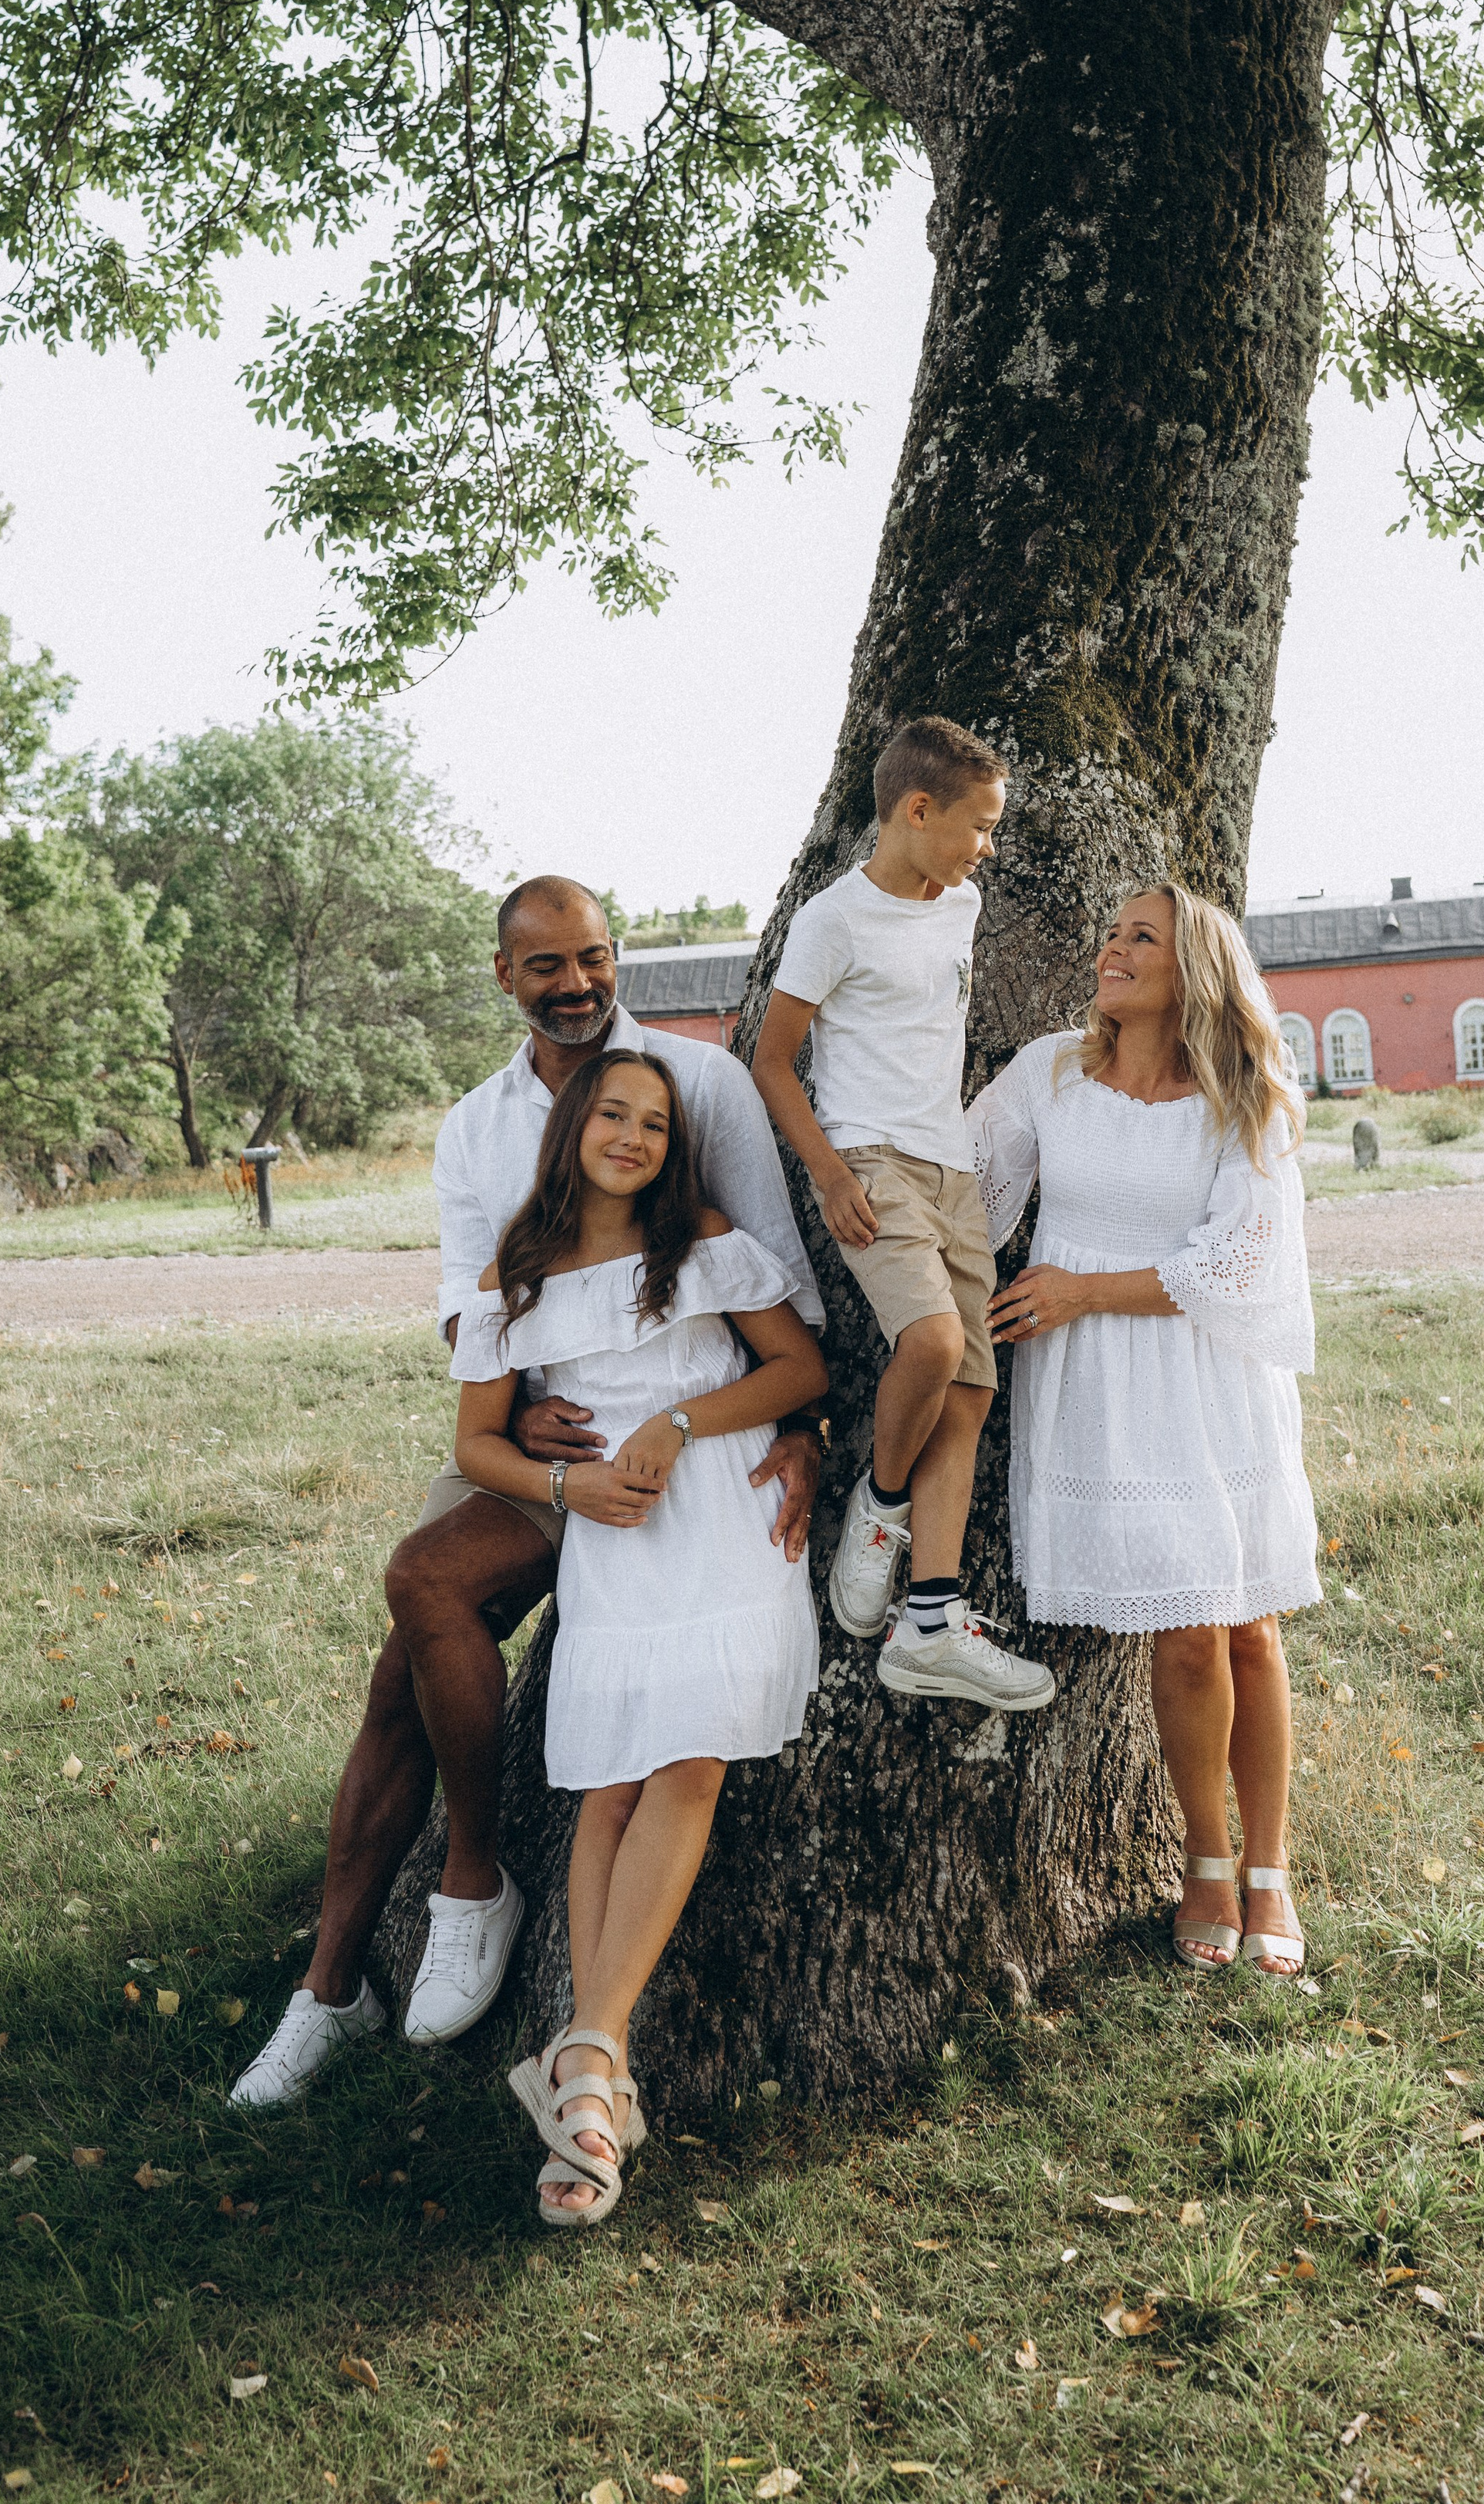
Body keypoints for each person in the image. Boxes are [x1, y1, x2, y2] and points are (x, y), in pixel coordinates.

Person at [229, 876, 824, 2109]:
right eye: (547, 966)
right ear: (506, 976)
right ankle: (380, 1950)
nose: (576, 984)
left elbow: (777, 1283)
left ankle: (456, 1902)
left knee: (435, 1619)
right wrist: (540, 1431)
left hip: (690, 1437)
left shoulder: (696, 1083)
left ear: (620, 959)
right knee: (420, 1614)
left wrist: (800, 1425)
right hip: (539, 1423)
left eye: (595, 958)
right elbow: (470, 1309)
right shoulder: (473, 1125)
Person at [451, 1044, 828, 2225]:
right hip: (614, 1531)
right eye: (611, 1113)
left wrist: (673, 1419)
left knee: (690, 1759)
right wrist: (565, 1497)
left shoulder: (702, 1239)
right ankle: (591, 2066)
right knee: (609, 1783)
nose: (633, 1135)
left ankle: (589, 2059)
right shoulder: (515, 1272)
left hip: (723, 1511)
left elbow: (797, 1367)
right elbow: (479, 1445)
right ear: (572, 1130)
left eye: (655, 1124)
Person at [967, 883, 1319, 1973]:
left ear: (1193, 970)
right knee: (1182, 1630)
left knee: (1248, 1627)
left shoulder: (1246, 1099)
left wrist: (1079, 1289)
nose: (1113, 951)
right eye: (1112, 934)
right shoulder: (1050, 1076)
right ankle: (1204, 1862)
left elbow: (1240, 1259)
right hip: (1099, 1394)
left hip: (1209, 1373)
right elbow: (959, 1189)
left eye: (1141, 939)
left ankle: (1273, 1869)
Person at [754, 717, 1054, 1713]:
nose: (989, 847)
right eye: (981, 824)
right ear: (917, 811)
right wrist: (833, 1175)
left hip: (951, 1165)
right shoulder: (833, 920)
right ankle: (878, 1508)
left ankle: (929, 1620)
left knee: (967, 1393)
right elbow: (771, 1059)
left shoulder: (958, 903)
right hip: (873, 1157)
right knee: (928, 1342)